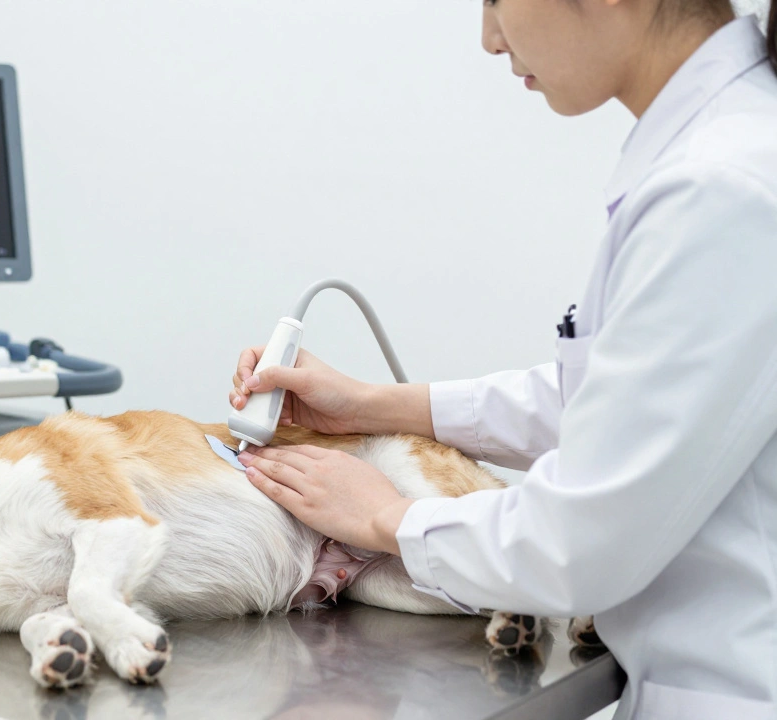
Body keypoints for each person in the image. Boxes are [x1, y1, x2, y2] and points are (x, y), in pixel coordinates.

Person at [229, 2, 777, 718]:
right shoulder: (718, 156)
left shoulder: (722, 187)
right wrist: (373, 405)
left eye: (494, 0)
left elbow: (582, 543)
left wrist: (386, 517)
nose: (489, 39)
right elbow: (619, 400)